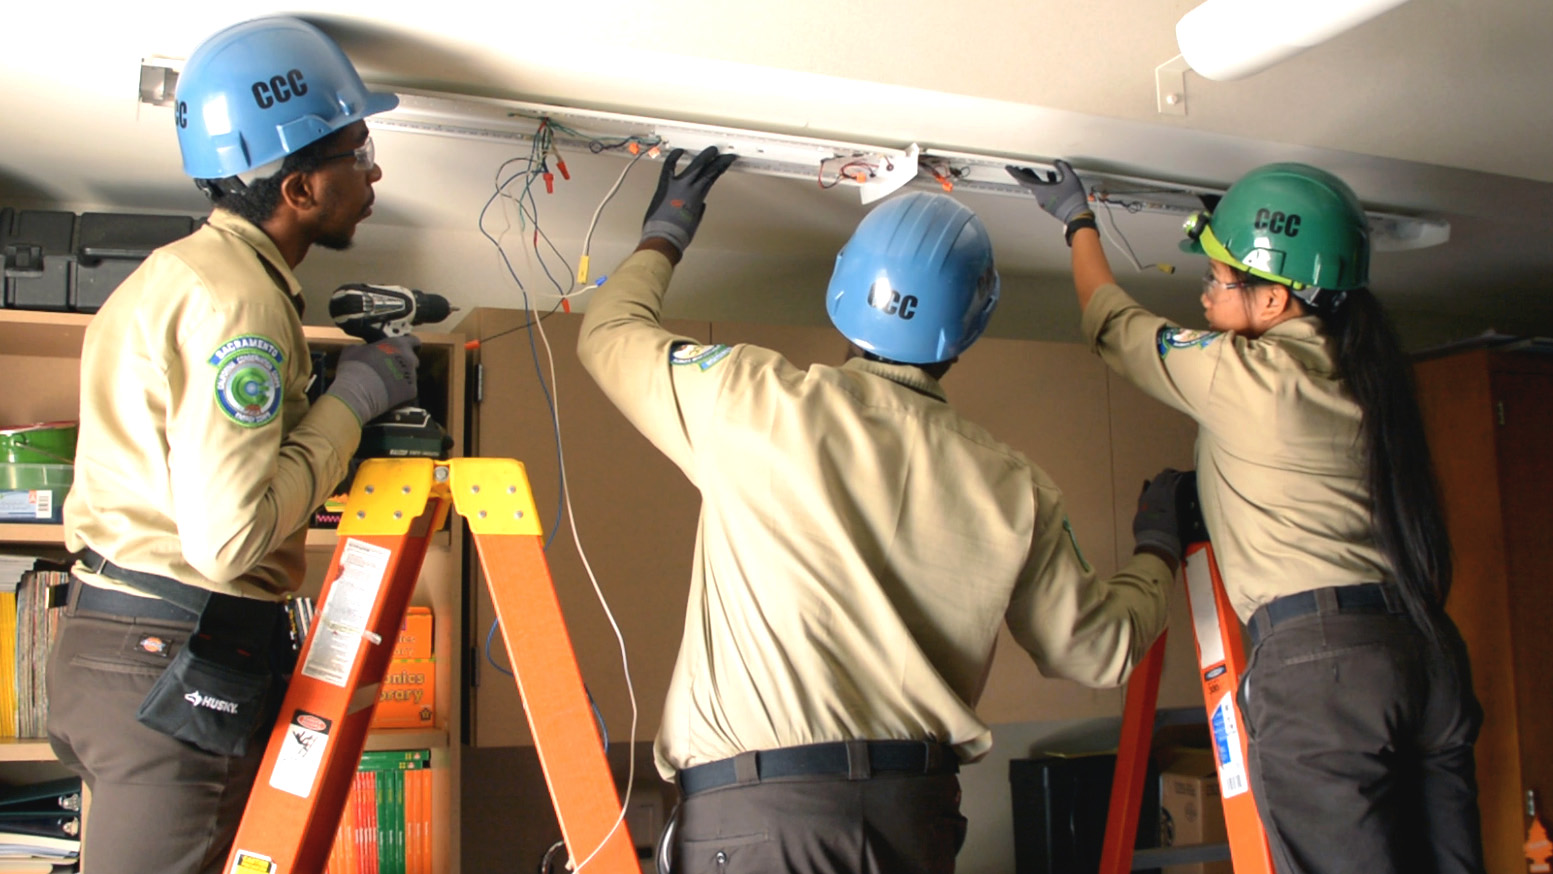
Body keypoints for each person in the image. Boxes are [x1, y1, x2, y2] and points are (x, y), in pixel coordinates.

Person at [577, 146, 1186, 874]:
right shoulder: (1015, 487)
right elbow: (1097, 650)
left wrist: (666, 228)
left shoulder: (748, 399)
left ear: (842, 285)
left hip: (760, 820)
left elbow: (609, 335)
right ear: (972, 324)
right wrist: (1157, 544)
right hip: (912, 821)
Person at [1007, 159, 1485, 874]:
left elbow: (1113, 325)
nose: (1205, 293)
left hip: (1326, 671)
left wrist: (1077, 221)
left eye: (1219, 280)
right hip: (1424, 654)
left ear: (1273, 303)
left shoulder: (1245, 374)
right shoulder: (1370, 377)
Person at [46, 17, 419, 874]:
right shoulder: (240, 305)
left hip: (131, 648)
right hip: (172, 657)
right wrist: (356, 400)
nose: (374, 171)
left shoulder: (180, 275)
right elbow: (230, 540)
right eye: (358, 151)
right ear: (297, 188)